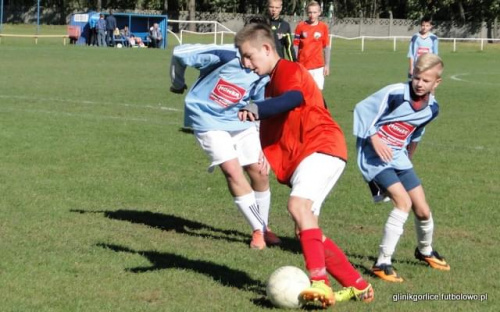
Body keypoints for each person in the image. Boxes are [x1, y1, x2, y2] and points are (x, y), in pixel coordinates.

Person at [235, 22, 374, 308]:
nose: (245, 63)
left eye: (248, 56)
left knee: (297, 207)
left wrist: (258, 108)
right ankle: (359, 286)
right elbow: (293, 112)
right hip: (314, 151)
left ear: (266, 48)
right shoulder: (273, 82)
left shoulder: (288, 70)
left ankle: (320, 282)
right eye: (241, 57)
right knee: (304, 228)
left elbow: (294, 98)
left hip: (322, 146)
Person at [169, 43, 281, 250]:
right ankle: (259, 230)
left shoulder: (264, 69)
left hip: (240, 120)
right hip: (207, 119)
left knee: (260, 171)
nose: (248, 64)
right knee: (232, 171)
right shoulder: (223, 54)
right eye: (245, 57)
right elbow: (179, 52)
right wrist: (178, 82)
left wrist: (263, 142)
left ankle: (264, 227)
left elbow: (258, 104)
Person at [353, 53, 450, 283]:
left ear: (437, 83)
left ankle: (425, 251)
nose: (419, 83)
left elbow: (416, 133)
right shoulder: (394, 93)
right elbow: (361, 110)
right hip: (374, 157)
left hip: (400, 158)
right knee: (403, 203)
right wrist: (374, 138)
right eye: (416, 77)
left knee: (423, 210)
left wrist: (409, 158)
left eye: (426, 80)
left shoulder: (432, 109)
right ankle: (382, 262)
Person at [293, 1, 331, 90]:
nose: (312, 15)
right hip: (303, 66)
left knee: (317, 94)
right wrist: (295, 63)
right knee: (303, 92)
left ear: (319, 13)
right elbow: (295, 45)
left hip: (318, 67)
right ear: (307, 12)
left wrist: (327, 65)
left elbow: (326, 47)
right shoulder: (300, 26)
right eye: (310, 12)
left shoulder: (323, 27)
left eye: (314, 12)